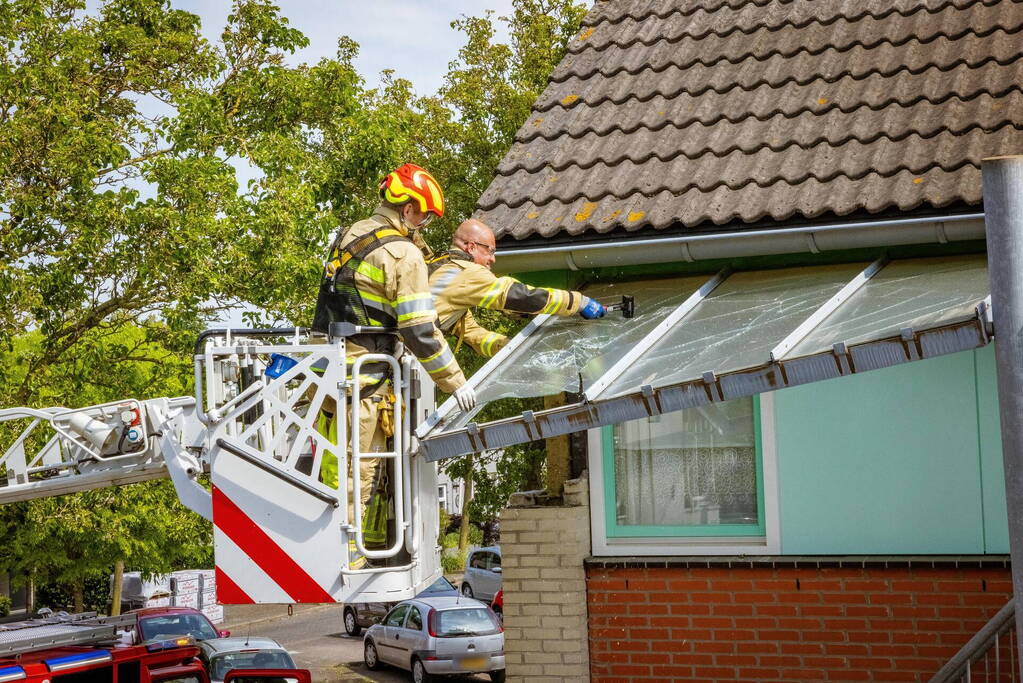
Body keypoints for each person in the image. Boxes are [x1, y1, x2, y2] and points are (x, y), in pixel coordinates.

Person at [310, 163, 475, 565]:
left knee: (332, 462)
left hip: (323, 369)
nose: (424, 224)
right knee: (358, 469)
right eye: (423, 215)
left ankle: (326, 544)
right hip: (363, 377)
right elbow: (420, 331)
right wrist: (456, 382)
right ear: (407, 208)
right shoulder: (404, 254)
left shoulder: (348, 234)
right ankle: (347, 554)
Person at [427, 218, 607, 358]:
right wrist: (579, 302)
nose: (493, 259)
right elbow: (521, 297)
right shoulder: (466, 273)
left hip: (404, 356)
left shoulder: (444, 268)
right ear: (472, 247)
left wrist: (507, 346)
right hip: (404, 358)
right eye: (490, 251)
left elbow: (470, 332)